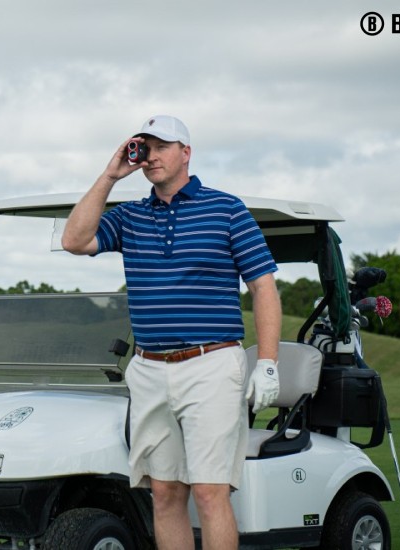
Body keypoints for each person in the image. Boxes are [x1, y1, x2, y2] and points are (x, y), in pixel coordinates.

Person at [61, 115, 282, 550]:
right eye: (144, 148)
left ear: (186, 152)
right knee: (164, 493)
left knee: (209, 491)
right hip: (150, 368)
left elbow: (263, 287)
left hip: (212, 365)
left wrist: (269, 363)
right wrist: (110, 175)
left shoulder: (226, 209)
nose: (152, 156)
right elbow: (75, 239)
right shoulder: (130, 216)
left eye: (162, 146)